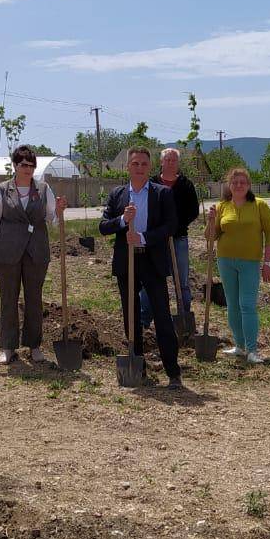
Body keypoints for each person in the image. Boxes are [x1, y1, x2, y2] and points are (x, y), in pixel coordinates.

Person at [100, 147, 183, 388]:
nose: (139, 168)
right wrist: (122, 221)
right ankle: (138, 368)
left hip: (152, 260)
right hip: (126, 261)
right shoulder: (117, 194)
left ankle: (173, 371)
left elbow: (171, 225)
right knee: (131, 315)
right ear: (127, 166)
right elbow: (103, 226)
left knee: (162, 315)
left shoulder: (162, 193)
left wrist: (143, 237)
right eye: (135, 163)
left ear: (150, 167)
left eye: (144, 164)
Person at [0, 145, 68, 364]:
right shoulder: (2, 190)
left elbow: (52, 220)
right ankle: (8, 347)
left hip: (36, 252)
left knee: (34, 299)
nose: (28, 169)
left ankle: (34, 345)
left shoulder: (43, 189)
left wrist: (59, 212)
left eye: (31, 165)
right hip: (7, 252)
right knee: (8, 299)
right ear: (15, 166)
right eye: (23, 165)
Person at [205, 167, 270, 363]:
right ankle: (239, 345)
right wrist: (210, 221)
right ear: (229, 185)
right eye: (234, 182)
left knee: (247, 305)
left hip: (250, 262)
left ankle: (252, 350)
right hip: (225, 260)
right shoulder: (222, 206)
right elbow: (211, 236)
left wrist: (268, 262)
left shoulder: (259, 205)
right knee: (232, 304)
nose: (238, 185)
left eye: (242, 182)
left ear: (249, 185)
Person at [139, 147, 200, 329]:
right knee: (150, 280)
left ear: (178, 163)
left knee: (182, 282)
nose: (171, 163)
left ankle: (184, 320)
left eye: (174, 160)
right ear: (161, 162)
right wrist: (161, 229)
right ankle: (144, 321)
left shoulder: (186, 185)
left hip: (178, 238)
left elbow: (193, 211)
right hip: (156, 240)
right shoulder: (152, 184)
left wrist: (175, 227)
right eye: (168, 160)